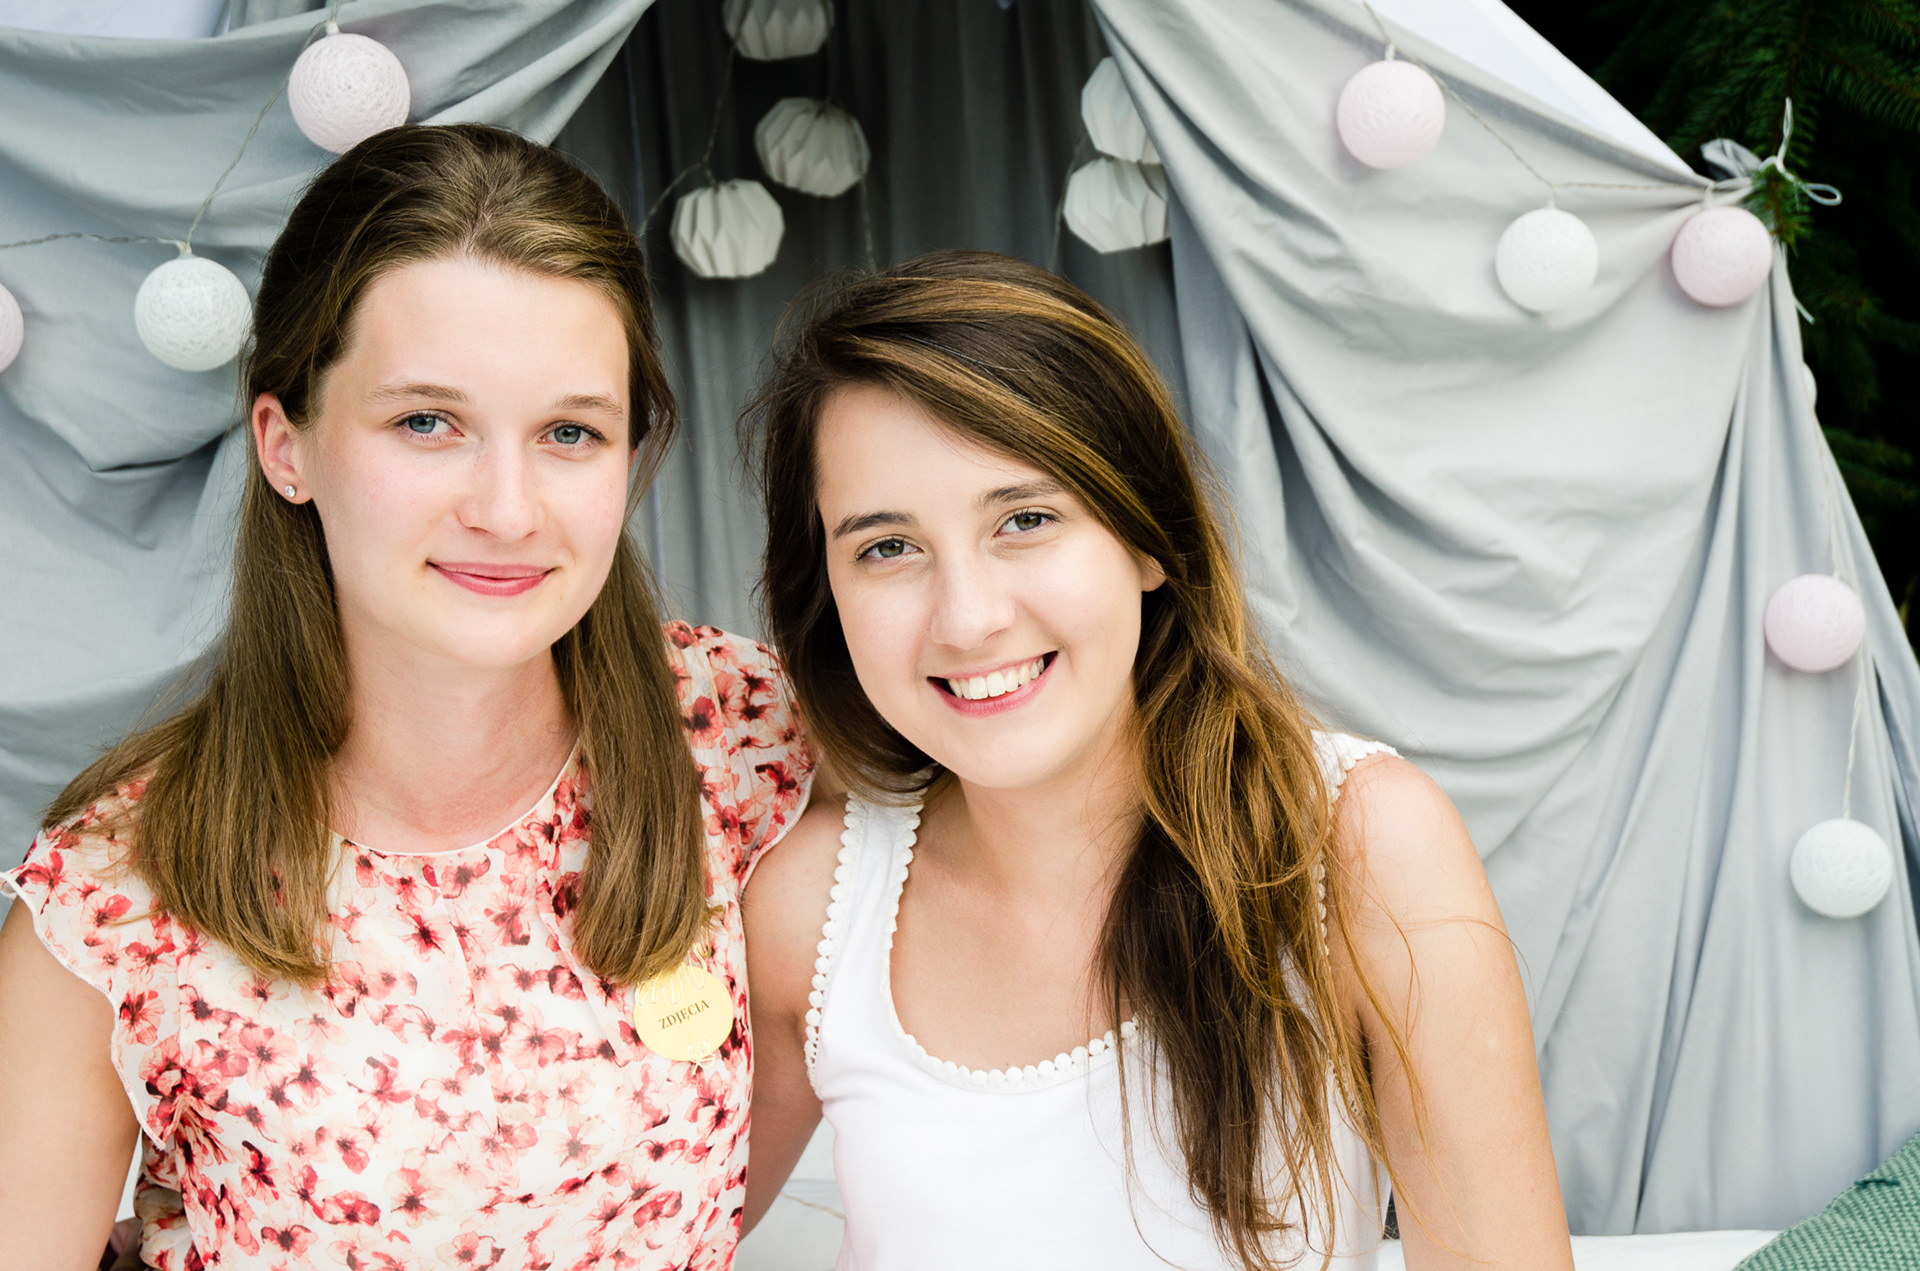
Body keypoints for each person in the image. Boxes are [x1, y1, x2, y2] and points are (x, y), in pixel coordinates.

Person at [0, 124, 811, 1271]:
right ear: (286, 445)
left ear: (630, 454)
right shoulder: (114, 900)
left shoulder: (746, 735)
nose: (508, 508)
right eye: (427, 421)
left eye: (570, 431)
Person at [740, 251, 1576, 1270]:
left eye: (1026, 520)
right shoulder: (811, 908)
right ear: (825, 592)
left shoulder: (1357, 841)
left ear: (1148, 539)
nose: (967, 616)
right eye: (887, 547)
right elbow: (636, 1231)